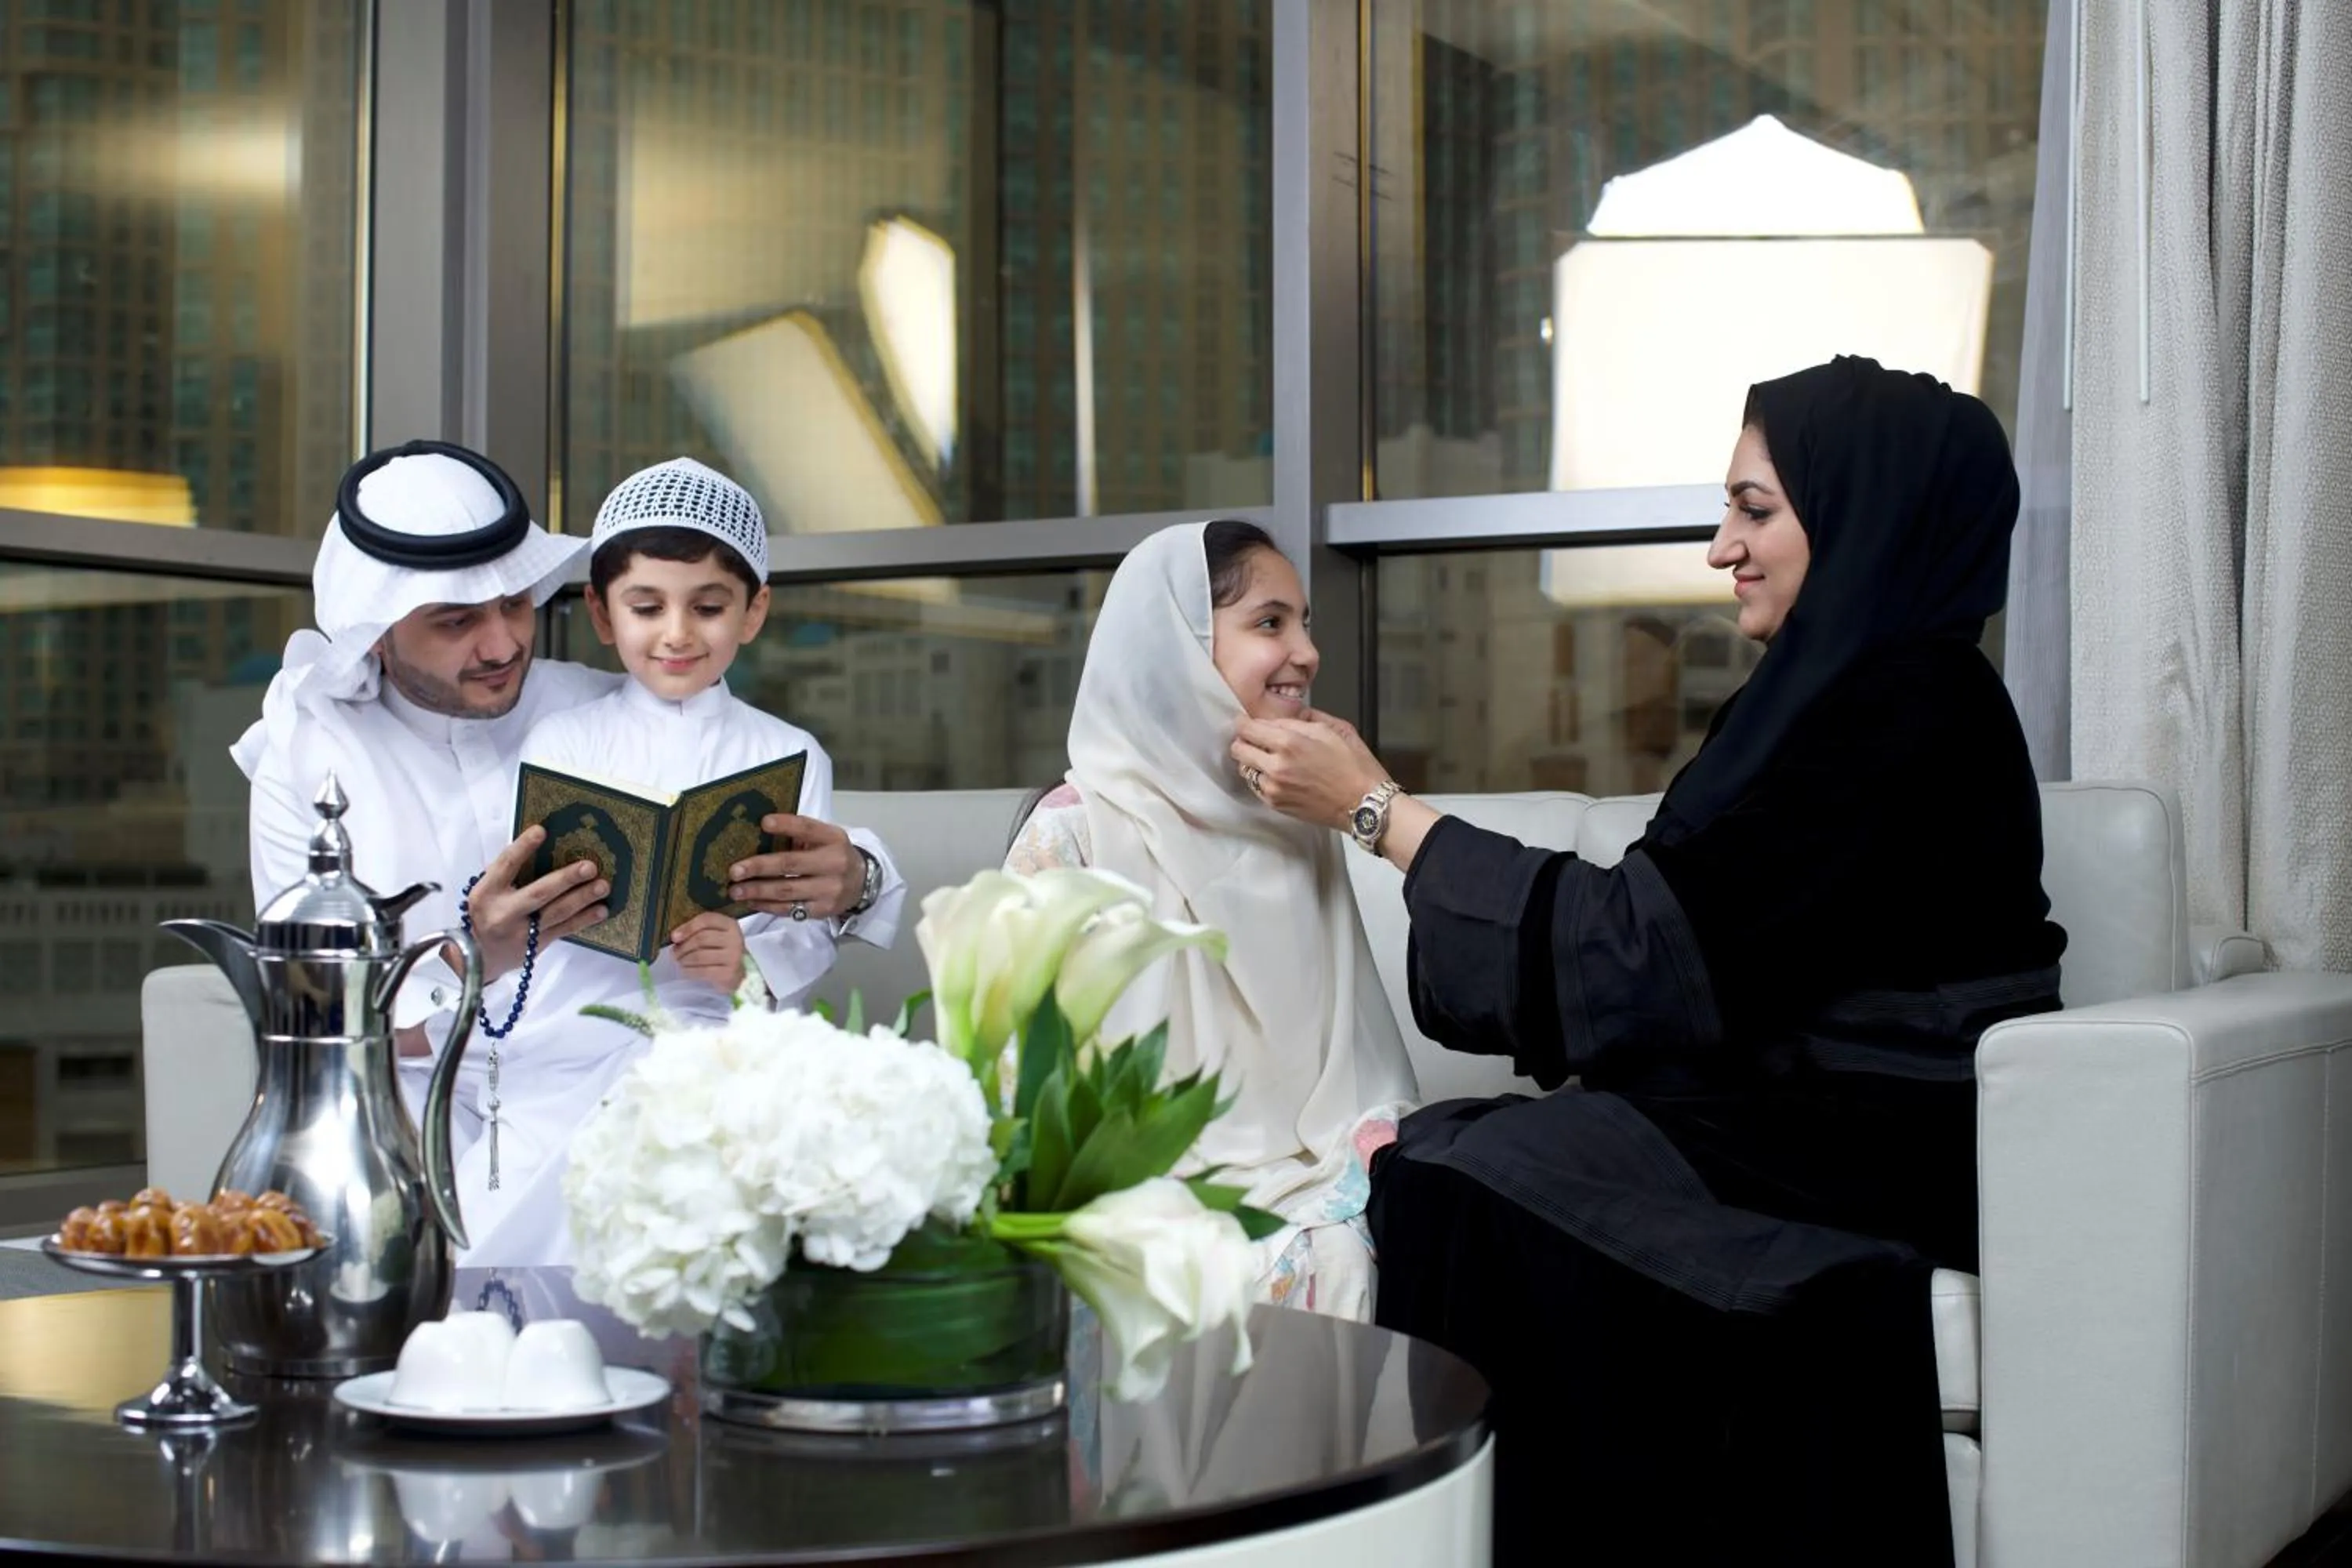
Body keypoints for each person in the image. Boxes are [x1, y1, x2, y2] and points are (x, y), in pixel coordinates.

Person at [1232, 357, 2067, 1566]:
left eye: (1756, 509)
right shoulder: (1813, 698)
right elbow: (1667, 937)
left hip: (1869, 1147)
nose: (1722, 546)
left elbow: (1643, 951)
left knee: (1460, 1178)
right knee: (1431, 1153)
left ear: (1863, 515)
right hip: (1771, 1114)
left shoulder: (1909, 708)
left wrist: (1379, 813)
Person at [233, 441, 907, 1263]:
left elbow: (737, 780)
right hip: (411, 1102)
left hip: (633, 1067)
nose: (501, 645)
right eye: (455, 622)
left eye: (516, 604)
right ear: (376, 631)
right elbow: (316, 1020)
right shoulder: (304, 761)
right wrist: (468, 954)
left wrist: (855, 880)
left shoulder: (593, 699)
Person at [1007, 520, 1418, 1319]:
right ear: (1180, 646)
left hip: (1293, 1169)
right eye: (1271, 622)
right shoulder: (1073, 833)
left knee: (1337, 1251)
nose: (1306, 650)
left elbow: (1343, 1052)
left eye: (1305, 623)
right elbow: (1021, 1079)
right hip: (1109, 1181)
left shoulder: (1295, 816)